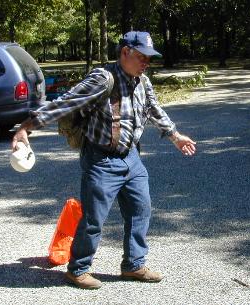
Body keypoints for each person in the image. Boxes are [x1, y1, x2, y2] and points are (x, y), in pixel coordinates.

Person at [11, 31, 197, 289]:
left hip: (131, 158)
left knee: (140, 210)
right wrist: (26, 127)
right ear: (124, 52)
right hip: (101, 160)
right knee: (93, 219)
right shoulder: (102, 78)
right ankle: (78, 269)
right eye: (141, 56)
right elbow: (65, 103)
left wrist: (175, 136)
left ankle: (133, 265)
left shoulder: (142, 80)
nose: (146, 63)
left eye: (149, 58)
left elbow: (154, 109)